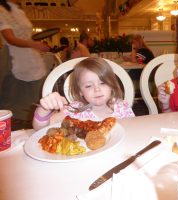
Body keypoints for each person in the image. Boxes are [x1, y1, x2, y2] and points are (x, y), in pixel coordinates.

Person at [33, 57, 135, 130]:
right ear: (81, 91)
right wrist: (44, 109)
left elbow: (134, 129)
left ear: (112, 85)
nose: (97, 89)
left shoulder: (122, 107)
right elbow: (40, 128)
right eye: (88, 86)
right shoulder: (75, 111)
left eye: (103, 83)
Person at [0, 0, 50, 130]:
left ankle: (32, 128)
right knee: (13, 100)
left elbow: (25, 36)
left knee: (32, 98)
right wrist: (34, 44)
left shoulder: (18, 11)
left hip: (30, 59)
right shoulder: (1, 10)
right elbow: (10, 38)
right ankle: (11, 134)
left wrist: (34, 45)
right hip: (13, 59)